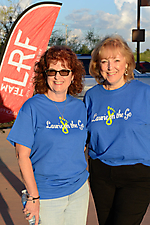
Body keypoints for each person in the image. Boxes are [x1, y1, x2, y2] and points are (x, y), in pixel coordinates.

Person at [7, 45, 89, 225]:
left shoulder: (79, 108)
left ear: (73, 75)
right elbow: (22, 157)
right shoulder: (32, 107)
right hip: (46, 195)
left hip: (78, 191)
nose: (58, 77)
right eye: (52, 71)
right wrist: (33, 197)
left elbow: (80, 146)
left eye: (64, 71)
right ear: (45, 74)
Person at [83, 35, 150, 225]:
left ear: (127, 64)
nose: (110, 66)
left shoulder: (145, 93)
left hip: (138, 174)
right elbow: (84, 136)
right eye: (105, 61)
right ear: (98, 65)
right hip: (101, 174)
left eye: (116, 60)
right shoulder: (92, 96)